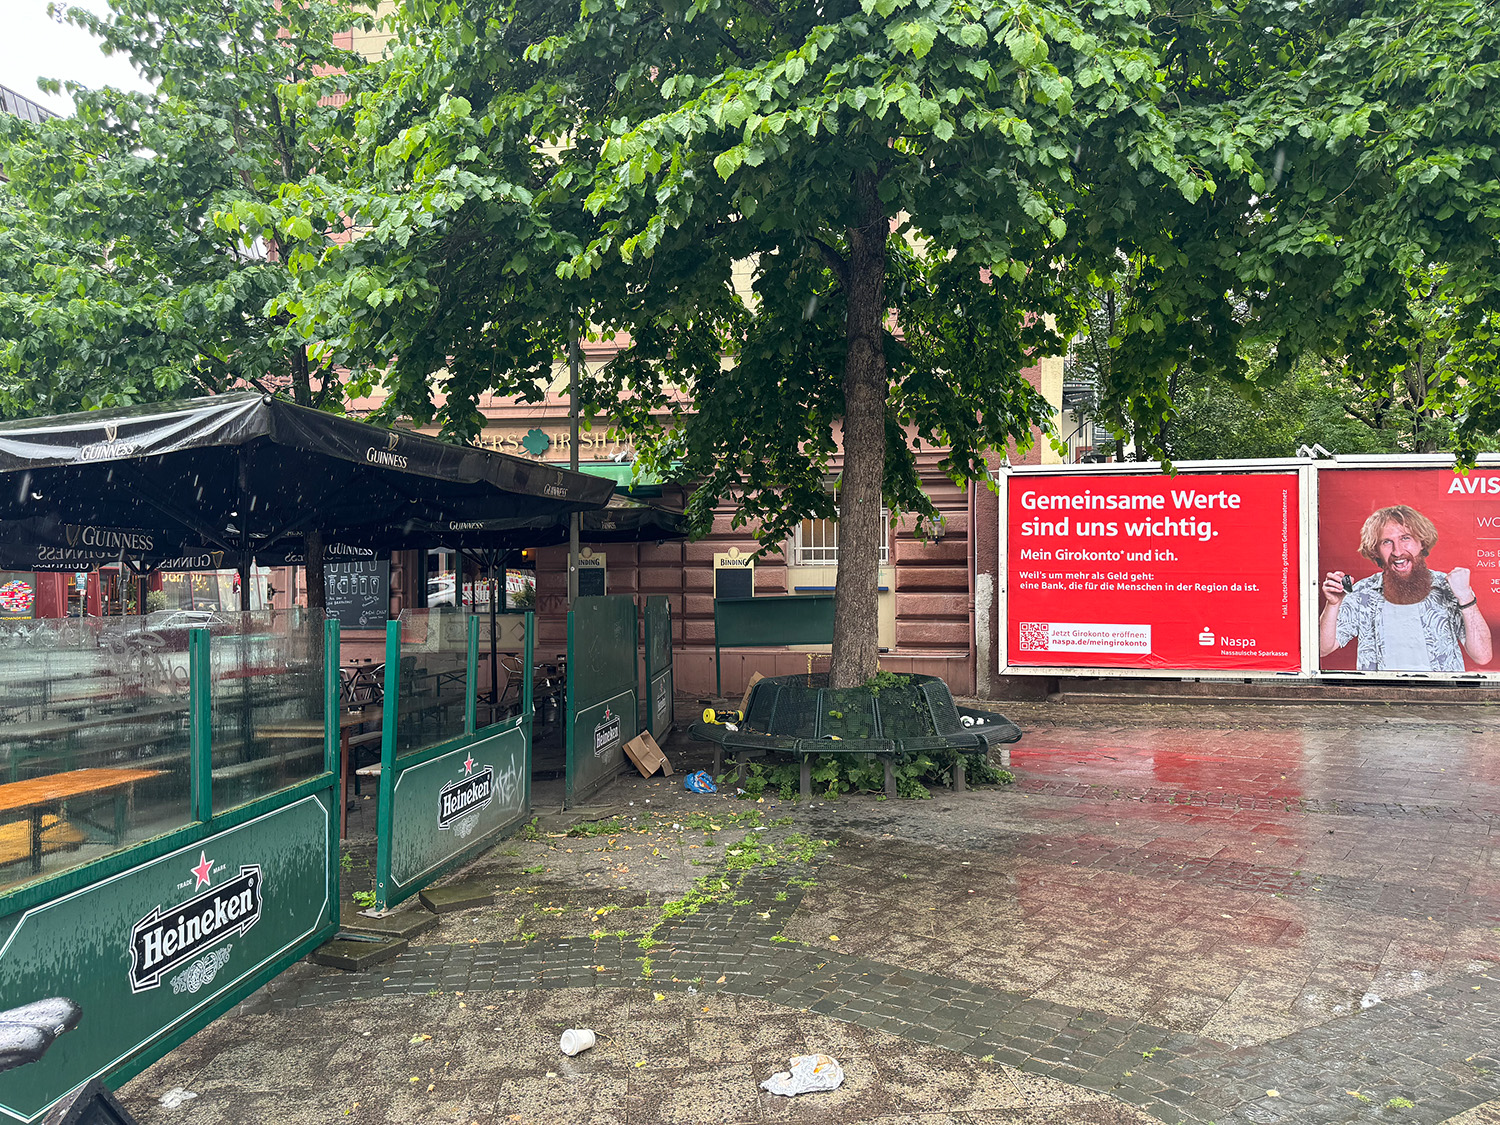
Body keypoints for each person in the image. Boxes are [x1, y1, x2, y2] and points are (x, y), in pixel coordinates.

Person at [1320, 504, 1492, 671]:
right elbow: (1322, 649)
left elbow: (1483, 656)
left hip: (1440, 689)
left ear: (1422, 542)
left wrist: (1465, 597)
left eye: (1405, 538)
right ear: (1375, 551)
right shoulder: (1362, 592)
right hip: (1382, 689)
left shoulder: (1449, 587)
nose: (1397, 551)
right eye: (1386, 542)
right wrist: (1333, 605)